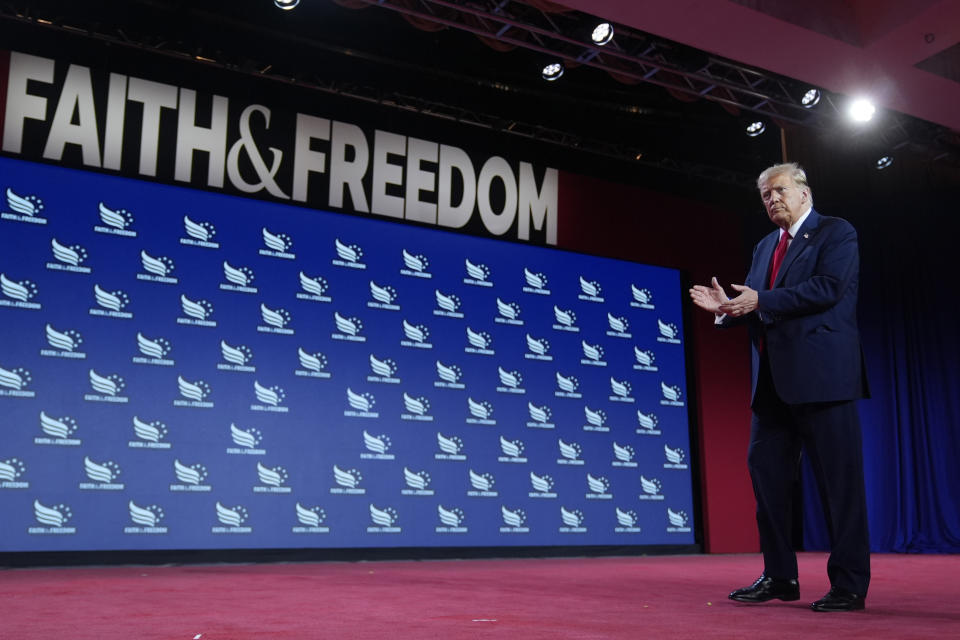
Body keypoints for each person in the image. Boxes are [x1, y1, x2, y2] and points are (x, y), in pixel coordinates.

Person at [689, 162, 870, 612]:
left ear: (804, 192)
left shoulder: (836, 232)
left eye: (779, 190)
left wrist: (759, 300)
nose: (772, 199)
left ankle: (849, 585)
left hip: (825, 379)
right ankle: (780, 575)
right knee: (766, 476)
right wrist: (727, 308)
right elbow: (752, 302)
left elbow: (828, 288)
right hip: (773, 383)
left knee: (838, 486)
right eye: (765, 195)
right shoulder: (765, 245)